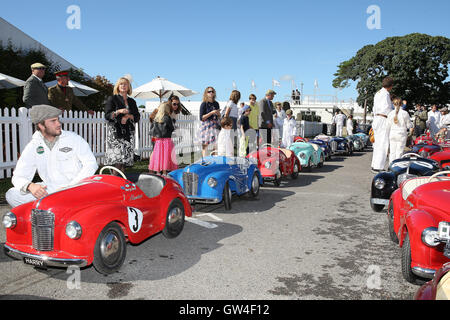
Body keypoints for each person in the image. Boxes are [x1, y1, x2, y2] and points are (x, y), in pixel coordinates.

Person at [5, 105, 98, 207]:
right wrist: (30, 186)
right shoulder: (33, 146)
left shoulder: (73, 139)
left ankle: (51, 209)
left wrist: (71, 186)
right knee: (12, 194)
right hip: (51, 190)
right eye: (53, 121)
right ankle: (50, 211)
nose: (58, 124)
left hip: (76, 188)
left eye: (58, 120)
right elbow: (18, 176)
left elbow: (91, 164)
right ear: (41, 125)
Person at [104, 76, 141, 174]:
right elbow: (107, 115)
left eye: (125, 84)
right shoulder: (112, 99)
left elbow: (137, 117)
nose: (123, 86)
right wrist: (118, 111)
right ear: (117, 86)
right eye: (121, 84)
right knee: (118, 159)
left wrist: (129, 116)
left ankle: (122, 183)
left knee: (124, 159)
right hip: (115, 132)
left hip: (128, 132)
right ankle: (114, 181)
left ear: (129, 87)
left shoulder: (132, 101)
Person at [371, 76, 394, 173]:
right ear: (390, 86)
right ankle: (378, 166)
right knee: (383, 143)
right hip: (383, 118)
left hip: (376, 118)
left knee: (377, 144)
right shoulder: (385, 94)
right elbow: (387, 108)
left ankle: (374, 164)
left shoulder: (378, 93)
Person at [148, 102, 177, 175]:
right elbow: (171, 128)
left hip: (158, 140)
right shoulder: (167, 118)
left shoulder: (156, 119)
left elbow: (153, 129)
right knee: (166, 156)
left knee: (159, 156)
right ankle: (164, 172)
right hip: (166, 140)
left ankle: (158, 171)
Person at [386, 97, 413, 164]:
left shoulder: (390, 113)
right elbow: (409, 125)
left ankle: (391, 166)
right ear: (401, 104)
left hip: (392, 134)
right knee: (399, 152)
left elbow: (387, 126)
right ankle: (398, 166)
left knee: (392, 152)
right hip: (401, 134)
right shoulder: (405, 113)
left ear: (393, 104)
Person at [199, 87, 221, 157]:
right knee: (205, 144)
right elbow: (201, 118)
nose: (211, 93)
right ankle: (204, 161)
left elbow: (219, 116)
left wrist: (218, 113)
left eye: (212, 91)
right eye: (209, 91)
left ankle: (214, 160)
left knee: (216, 144)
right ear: (206, 93)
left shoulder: (216, 104)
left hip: (215, 124)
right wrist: (211, 112)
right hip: (207, 125)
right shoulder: (204, 104)